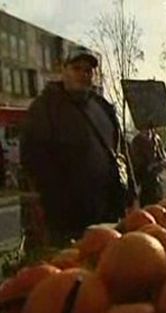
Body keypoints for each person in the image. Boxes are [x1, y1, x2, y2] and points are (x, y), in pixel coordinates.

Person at [20, 46, 137, 246]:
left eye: (88, 70)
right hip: (67, 220)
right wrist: (56, 201)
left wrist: (131, 193)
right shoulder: (45, 108)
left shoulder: (102, 107)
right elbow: (34, 160)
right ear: (63, 70)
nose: (83, 74)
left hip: (108, 214)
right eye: (77, 68)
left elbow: (120, 153)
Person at [131, 128, 166, 207]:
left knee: (159, 202)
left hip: (156, 179)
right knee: (147, 204)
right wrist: (151, 166)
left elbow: (162, 155)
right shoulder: (137, 141)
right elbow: (138, 163)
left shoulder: (156, 139)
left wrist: (165, 161)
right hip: (145, 180)